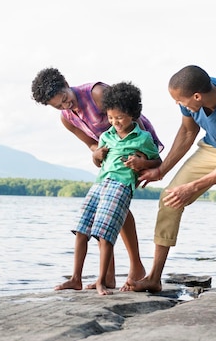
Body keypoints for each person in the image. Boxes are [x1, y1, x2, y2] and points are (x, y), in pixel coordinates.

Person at [129, 65, 216, 296]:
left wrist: (195, 186)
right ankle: (154, 278)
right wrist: (161, 171)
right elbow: (187, 132)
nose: (179, 104)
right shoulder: (190, 91)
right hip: (213, 147)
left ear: (197, 96)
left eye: (180, 101)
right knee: (170, 197)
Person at [31, 67, 164, 290]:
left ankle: (135, 267)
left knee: (115, 209)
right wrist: (95, 152)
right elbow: (91, 143)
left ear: (66, 83)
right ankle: (108, 276)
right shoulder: (67, 118)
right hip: (110, 156)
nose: (65, 106)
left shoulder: (96, 93)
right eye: (58, 106)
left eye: (64, 98)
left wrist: (140, 156)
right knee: (105, 213)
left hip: (134, 147)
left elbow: (132, 117)